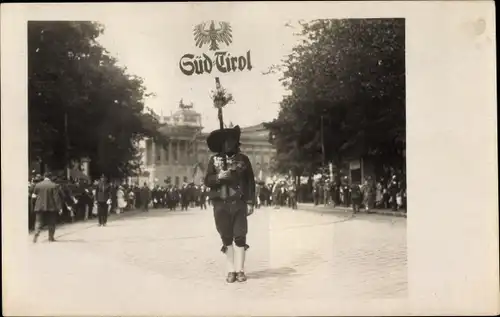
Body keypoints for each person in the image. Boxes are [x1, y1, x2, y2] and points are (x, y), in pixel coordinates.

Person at [204, 125, 256, 283]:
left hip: (238, 202)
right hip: (220, 203)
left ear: (236, 142)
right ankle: (231, 270)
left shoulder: (243, 160)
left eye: (231, 140)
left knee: (240, 236)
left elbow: (250, 182)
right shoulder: (214, 160)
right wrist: (219, 176)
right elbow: (207, 180)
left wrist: (250, 202)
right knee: (226, 237)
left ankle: (240, 270)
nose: (228, 144)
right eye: (225, 141)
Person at [32, 172, 63, 243]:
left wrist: (35, 204)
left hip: (39, 206)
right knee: (51, 222)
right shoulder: (54, 185)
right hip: (51, 207)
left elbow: (34, 195)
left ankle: (36, 233)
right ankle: (51, 237)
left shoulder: (38, 185)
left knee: (38, 221)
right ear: (51, 177)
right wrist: (59, 208)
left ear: (44, 177)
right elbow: (56, 198)